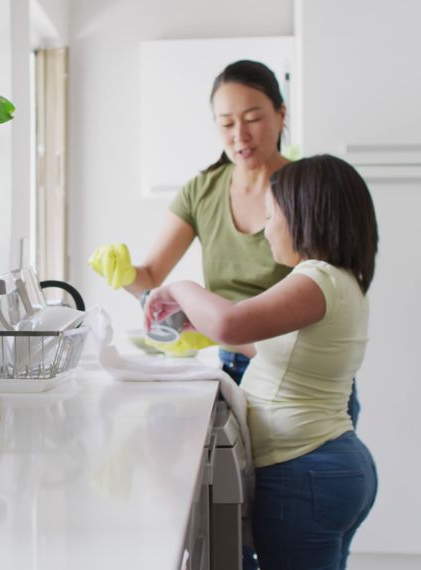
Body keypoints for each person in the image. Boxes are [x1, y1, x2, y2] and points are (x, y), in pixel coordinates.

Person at [143, 154, 380, 569]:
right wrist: (194, 327)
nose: (267, 228)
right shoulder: (339, 281)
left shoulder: (317, 278)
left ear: (306, 217)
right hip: (326, 467)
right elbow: (263, 346)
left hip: (306, 470)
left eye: (272, 216)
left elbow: (234, 326)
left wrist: (180, 287)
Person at [89, 59, 361, 419]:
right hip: (234, 363)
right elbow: (151, 278)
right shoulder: (202, 191)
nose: (240, 135)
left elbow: (333, 287)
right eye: (227, 123)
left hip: (299, 375)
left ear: (281, 115)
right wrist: (124, 273)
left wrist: (211, 323)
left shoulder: (305, 193)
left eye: (252, 119)